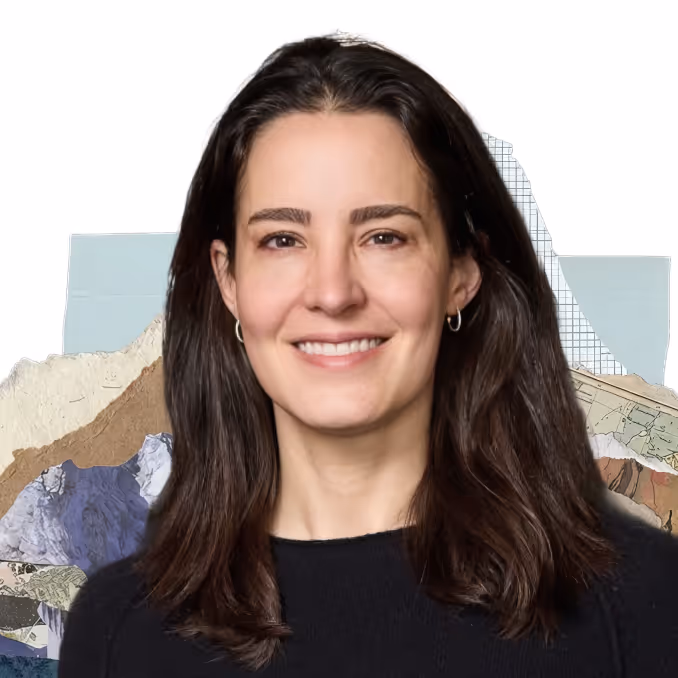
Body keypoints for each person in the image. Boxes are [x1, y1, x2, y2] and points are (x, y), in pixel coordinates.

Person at [58, 33, 678, 677]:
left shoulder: (643, 609)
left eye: (384, 236)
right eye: (282, 240)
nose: (333, 293)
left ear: (461, 273)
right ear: (228, 279)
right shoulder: (117, 635)